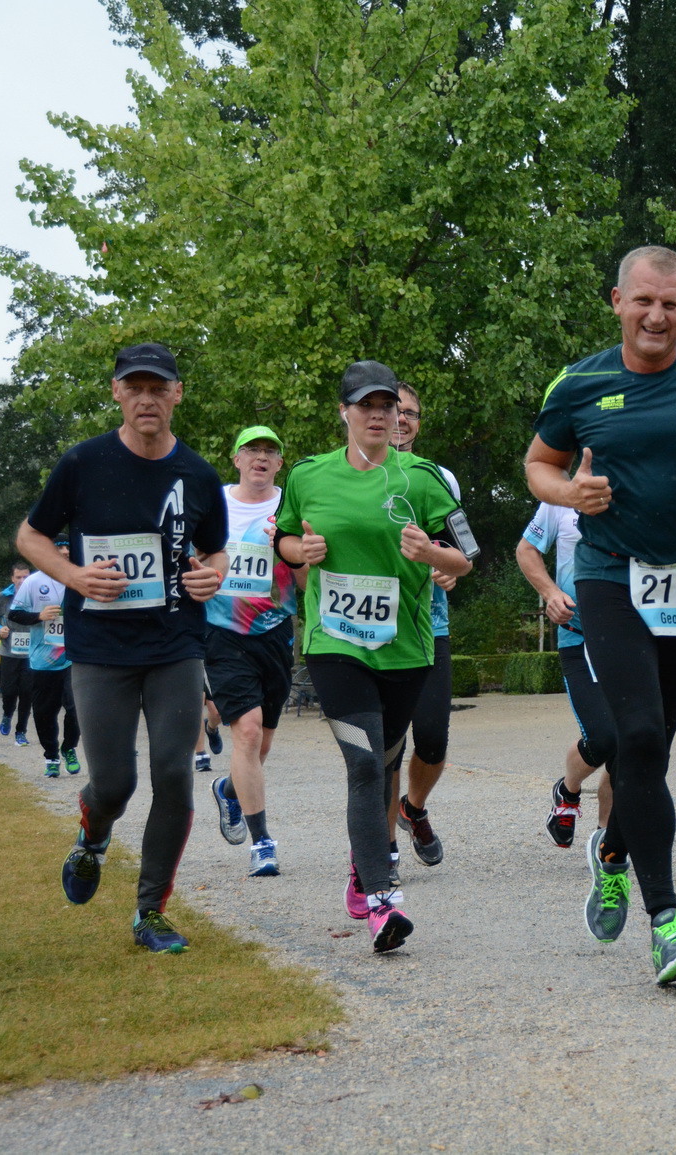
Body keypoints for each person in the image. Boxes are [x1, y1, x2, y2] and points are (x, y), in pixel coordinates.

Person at [524, 244, 676, 985]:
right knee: (633, 732)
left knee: (652, 751)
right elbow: (537, 464)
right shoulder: (579, 382)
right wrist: (569, 493)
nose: (656, 315)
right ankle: (668, 921)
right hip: (607, 574)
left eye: (671, 303)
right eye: (643, 300)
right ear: (617, 302)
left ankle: (612, 852)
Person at [20, 342, 229, 954]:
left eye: (158, 387)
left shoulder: (197, 474)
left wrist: (211, 574)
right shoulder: (83, 463)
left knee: (174, 773)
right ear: (116, 392)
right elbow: (31, 536)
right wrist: (75, 576)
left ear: (176, 395)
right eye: (134, 387)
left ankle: (150, 913)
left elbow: (215, 549)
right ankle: (92, 839)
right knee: (113, 783)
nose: (146, 398)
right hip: (101, 648)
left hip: (175, 644)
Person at [275, 361, 473, 954]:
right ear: (345, 412)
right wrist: (298, 549)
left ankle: (363, 871)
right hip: (335, 644)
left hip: (407, 649)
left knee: (387, 764)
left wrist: (434, 555)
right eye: (368, 405)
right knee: (363, 767)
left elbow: (466, 556)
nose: (380, 415)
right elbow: (281, 540)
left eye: (388, 406)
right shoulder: (309, 476)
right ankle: (384, 904)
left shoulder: (422, 478)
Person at [203, 425, 304, 878]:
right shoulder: (214, 503)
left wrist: (293, 555)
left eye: (270, 451)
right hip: (221, 631)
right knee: (245, 732)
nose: (261, 458)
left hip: (275, 629)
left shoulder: (290, 505)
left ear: (280, 463)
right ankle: (262, 842)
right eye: (252, 450)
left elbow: (306, 579)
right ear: (237, 459)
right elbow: (192, 560)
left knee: (261, 741)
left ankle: (229, 788)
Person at [386, 382, 460, 872]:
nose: (400, 420)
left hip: (428, 625)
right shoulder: (340, 476)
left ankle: (411, 808)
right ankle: (381, 843)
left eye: (410, 413)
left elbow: (461, 546)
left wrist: (450, 567)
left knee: (432, 739)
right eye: (392, 410)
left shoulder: (439, 478)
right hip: (369, 633)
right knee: (386, 746)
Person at [515, 499, 616, 848]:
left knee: (629, 744)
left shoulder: (643, 490)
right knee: (604, 737)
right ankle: (567, 791)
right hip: (579, 639)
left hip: (630, 641)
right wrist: (550, 592)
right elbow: (527, 549)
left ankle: (608, 840)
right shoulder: (560, 498)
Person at [7, 537, 81, 778]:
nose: (65, 551)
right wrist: (39, 616)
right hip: (43, 659)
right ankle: (51, 755)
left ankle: (69, 747)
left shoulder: (81, 576)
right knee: (44, 713)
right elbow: (15, 614)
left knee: (76, 708)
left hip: (75, 656)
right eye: (60, 547)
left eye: (69, 547)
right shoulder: (34, 581)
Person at [0, 560, 34, 743]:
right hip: (9, 652)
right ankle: (7, 714)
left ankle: (20, 731)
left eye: (26, 577)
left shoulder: (38, 595)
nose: (23, 580)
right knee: (9, 691)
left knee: (27, 692)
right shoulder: (4, 597)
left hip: (32, 654)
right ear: (12, 578)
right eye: (19, 577)